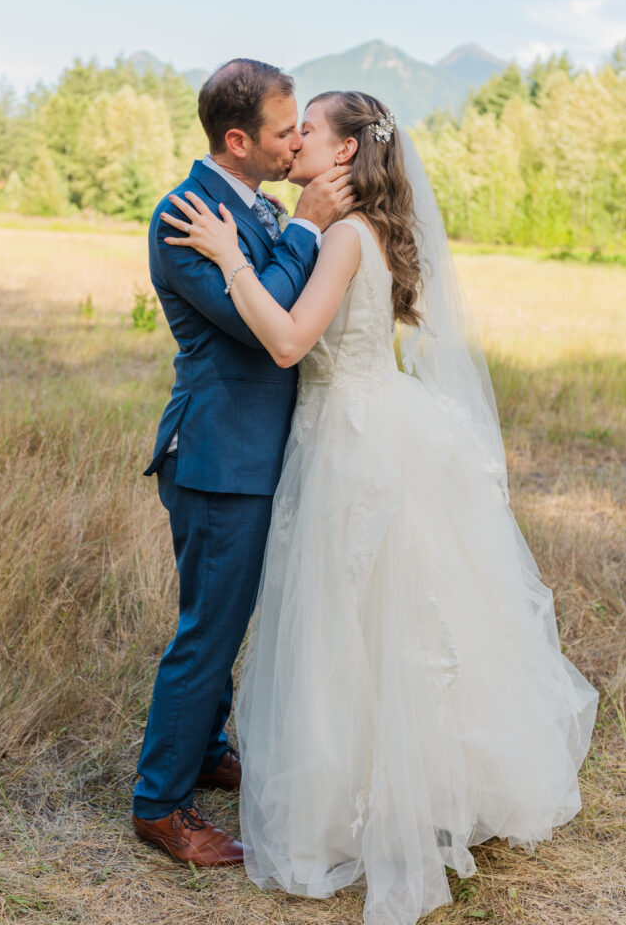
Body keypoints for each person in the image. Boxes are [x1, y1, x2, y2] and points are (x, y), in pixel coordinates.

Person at [161, 90, 599, 925]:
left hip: (348, 439)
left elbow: (288, 342)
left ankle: (357, 795)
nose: (293, 144)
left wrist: (230, 258)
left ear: (345, 154)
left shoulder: (341, 240)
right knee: (383, 614)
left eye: (309, 132)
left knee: (348, 615)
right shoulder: (366, 232)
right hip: (373, 422)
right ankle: (397, 774)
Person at [132, 61, 354, 866]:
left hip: (257, 452)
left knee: (228, 621)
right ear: (238, 140)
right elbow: (263, 321)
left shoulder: (244, 204)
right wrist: (302, 230)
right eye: (284, 130)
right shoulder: (184, 214)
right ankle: (160, 805)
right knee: (208, 631)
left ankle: (203, 748)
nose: (298, 140)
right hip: (218, 456)